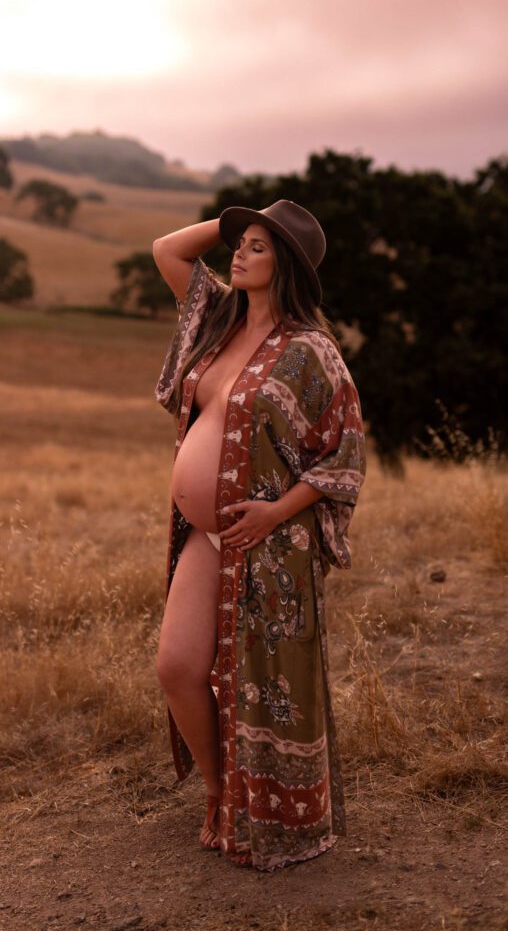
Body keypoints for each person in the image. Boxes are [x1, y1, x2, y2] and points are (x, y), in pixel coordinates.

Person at [152, 199, 367, 871]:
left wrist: (277, 512)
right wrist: (235, 222)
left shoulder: (312, 351)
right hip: (203, 534)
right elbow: (167, 250)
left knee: (262, 684)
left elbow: (344, 455)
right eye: (239, 244)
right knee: (179, 668)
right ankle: (219, 794)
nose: (238, 255)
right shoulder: (215, 318)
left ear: (287, 266)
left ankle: (269, 812)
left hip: (271, 543)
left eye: (257, 247)